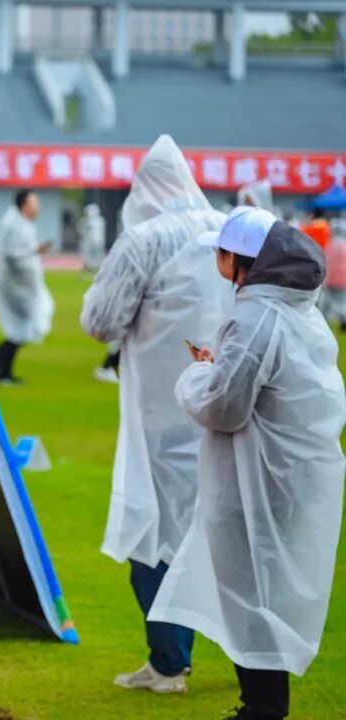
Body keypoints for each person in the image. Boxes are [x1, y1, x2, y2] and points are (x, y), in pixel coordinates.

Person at [149, 207, 345, 720]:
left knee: (249, 592)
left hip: (258, 475)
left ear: (239, 259)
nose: (217, 258)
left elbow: (224, 407)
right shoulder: (297, 308)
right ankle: (260, 704)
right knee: (264, 590)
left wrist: (197, 376)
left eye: (221, 251)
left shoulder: (254, 315)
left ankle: (262, 707)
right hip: (292, 471)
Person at [80, 134, 234, 694]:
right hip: (227, 402)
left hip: (161, 413)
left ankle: (169, 662)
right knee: (223, 531)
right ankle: (255, 666)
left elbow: (100, 321)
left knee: (155, 533)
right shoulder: (226, 230)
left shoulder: (144, 239)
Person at [0, 189, 54, 384]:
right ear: (24, 205)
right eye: (34, 204)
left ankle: (3, 370)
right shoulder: (14, 225)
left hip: (24, 285)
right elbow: (11, 254)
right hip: (15, 287)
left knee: (22, 328)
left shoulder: (22, 224)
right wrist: (35, 250)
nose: (37, 208)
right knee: (28, 325)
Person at [78, 203, 107, 273]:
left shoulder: (97, 221)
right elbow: (81, 230)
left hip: (94, 241)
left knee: (95, 254)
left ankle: (94, 267)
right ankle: (90, 267)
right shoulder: (98, 220)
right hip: (92, 241)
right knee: (90, 254)